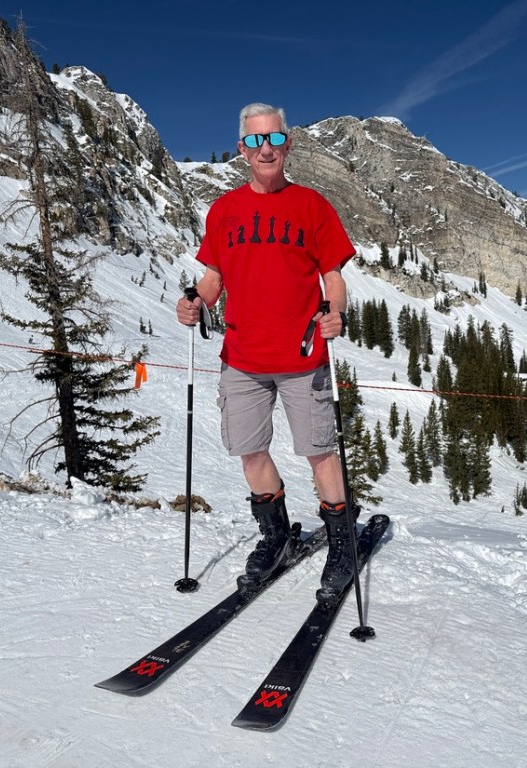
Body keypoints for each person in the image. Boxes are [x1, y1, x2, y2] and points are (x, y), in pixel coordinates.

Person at [176, 103, 357, 603]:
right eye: (255, 141)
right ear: (242, 150)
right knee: (250, 451)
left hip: (302, 355)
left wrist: (333, 310)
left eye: (273, 139)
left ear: (288, 142)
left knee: (320, 451)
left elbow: (333, 276)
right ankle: (276, 536)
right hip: (243, 359)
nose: (265, 149)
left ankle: (343, 545)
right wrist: (195, 301)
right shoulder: (224, 211)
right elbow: (214, 277)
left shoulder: (312, 206)